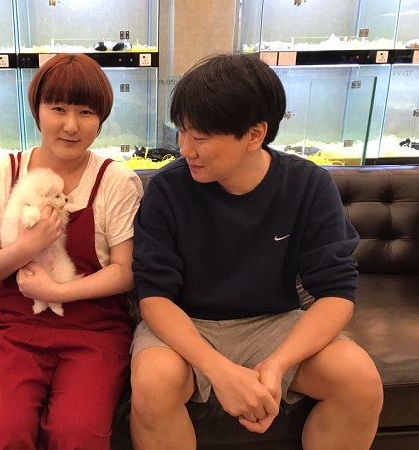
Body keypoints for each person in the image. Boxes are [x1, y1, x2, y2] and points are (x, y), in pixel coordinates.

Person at [129, 53, 383, 450]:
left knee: (359, 379)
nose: (185, 150)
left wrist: (278, 364)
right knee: (152, 383)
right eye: (181, 132)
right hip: (187, 323)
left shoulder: (308, 185)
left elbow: (337, 293)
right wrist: (218, 370)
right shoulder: (167, 189)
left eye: (200, 137)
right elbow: (154, 297)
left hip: (274, 322)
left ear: (254, 134)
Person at [0, 53, 143, 450]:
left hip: (95, 330)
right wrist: (27, 247)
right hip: (17, 328)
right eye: (58, 109)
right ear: (37, 111)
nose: (71, 125)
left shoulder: (117, 181)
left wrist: (56, 292)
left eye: (86, 112)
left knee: (78, 434)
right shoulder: (1, 174)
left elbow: (124, 272)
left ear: (101, 119)